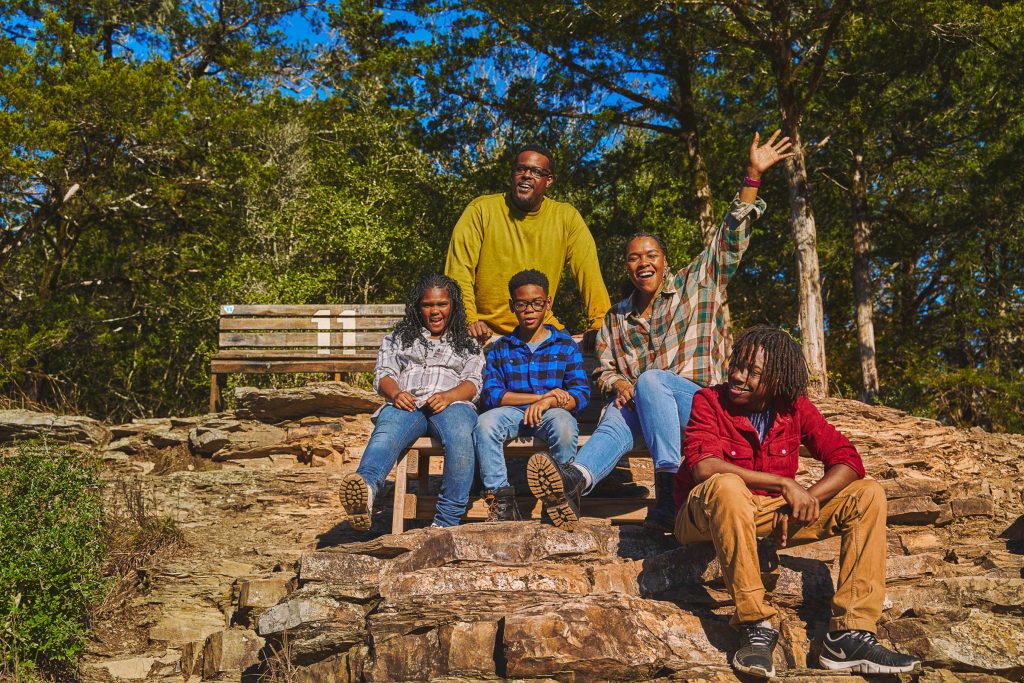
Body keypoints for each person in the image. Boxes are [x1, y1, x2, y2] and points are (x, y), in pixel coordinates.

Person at [527, 130, 793, 533]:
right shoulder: (616, 318)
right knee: (620, 411)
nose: (643, 263)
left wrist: (752, 176)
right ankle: (573, 482)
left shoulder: (697, 283)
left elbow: (730, 240)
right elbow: (604, 368)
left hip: (704, 410)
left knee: (651, 381)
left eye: (651, 255)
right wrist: (616, 383)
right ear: (627, 269)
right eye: (634, 259)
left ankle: (670, 487)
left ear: (665, 260)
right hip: (648, 417)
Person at [675, 325, 921, 678]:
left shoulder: (795, 409)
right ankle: (756, 625)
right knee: (726, 485)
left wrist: (805, 500)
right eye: (737, 364)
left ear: (776, 380)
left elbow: (848, 460)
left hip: (770, 516)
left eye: (752, 371)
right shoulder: (709, 401)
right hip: (703, 515)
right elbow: (704, 468)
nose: (737, 376)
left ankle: (849, 634)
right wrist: (784, 484)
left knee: (868, 494)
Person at [339, 274, 484, 530]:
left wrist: (450, 396)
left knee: (462, 437)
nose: (435, 311)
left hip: (453, 405)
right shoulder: (400, 337)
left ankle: (446, 521)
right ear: (418, 307)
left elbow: (474, 382)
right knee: (387, 430)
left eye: (442, 304)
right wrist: (395, 394)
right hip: (408, 402)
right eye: (428, 305)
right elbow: (384, 373)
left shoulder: (468, 340)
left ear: (453, 306)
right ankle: (367, 490)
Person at [444, 144, 611, 345]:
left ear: (549, 180)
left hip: (542, 328)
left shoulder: (566, 218)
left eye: (536, 172)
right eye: (521, 169)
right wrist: (469, 320)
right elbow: (458, 272)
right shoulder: (481, 210)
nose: (526, 175)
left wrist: (600, 323)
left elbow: (589, 273)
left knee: (579, 366)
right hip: (484, 331)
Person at [473, 270, 590, 521]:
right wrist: (539, 398)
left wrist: (548, 402)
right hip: (513, 413)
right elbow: (493, 395)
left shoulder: (564, 345)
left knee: (564, 425)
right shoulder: (502, 347)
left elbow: (580, 392)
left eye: (537, 303)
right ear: (512, 306)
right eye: (522, 304)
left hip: (552, 412)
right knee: (484, 423)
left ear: (548, 304)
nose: (529, 310)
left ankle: (559, 497)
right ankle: (501, 499)